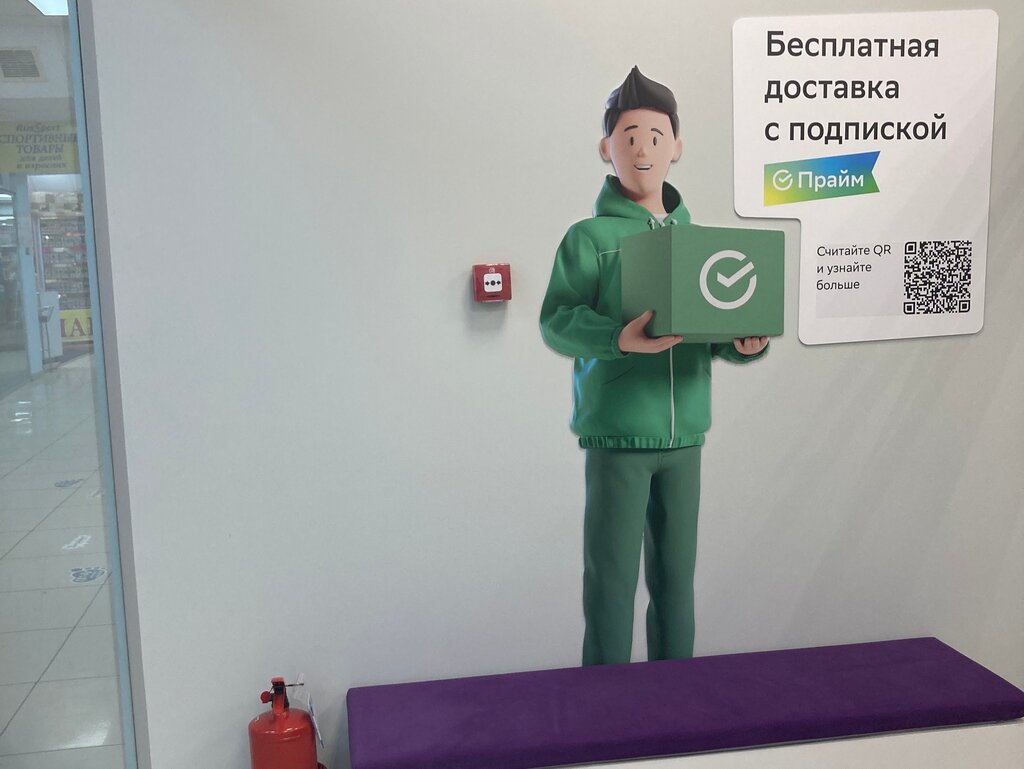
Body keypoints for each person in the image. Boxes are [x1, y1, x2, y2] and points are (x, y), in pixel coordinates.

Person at [539, 66, 768, 666]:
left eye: (656, 135)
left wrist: (741, 344)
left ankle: (677, 700)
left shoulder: (699, 242)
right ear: (606, 147)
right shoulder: (589, 239)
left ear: (677, 147)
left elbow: (707, 330)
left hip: (685, 436)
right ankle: (606, 704)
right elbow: (557, 320)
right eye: (629, 135)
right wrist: (617, 337)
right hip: (618, 435)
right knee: (611, 582)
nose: (643, 149)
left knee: (676, 582)